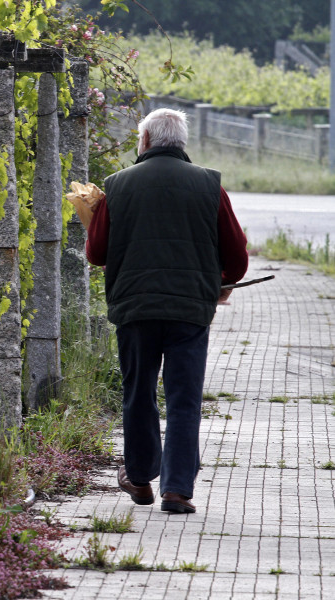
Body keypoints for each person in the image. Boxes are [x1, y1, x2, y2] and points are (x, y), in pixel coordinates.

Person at [84, 108, 249, 514]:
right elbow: (237, 256)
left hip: (135, 307)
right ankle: (177, 490)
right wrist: (221, 283)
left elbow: (96, 253)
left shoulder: (116, 186)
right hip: (189, 309)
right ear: (182, 143)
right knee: (184, 397)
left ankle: (140, 480)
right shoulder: (211, 186)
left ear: (144, 141)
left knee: (138, 392)